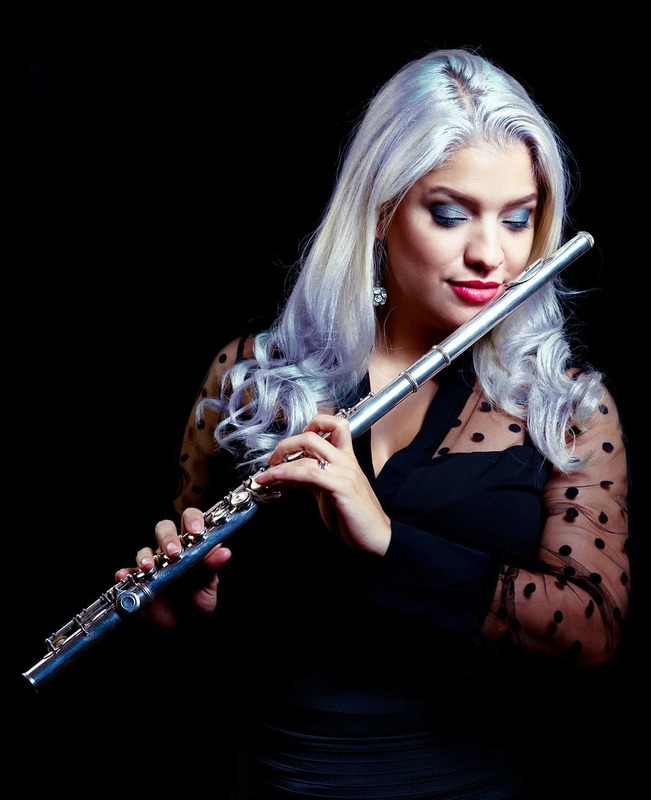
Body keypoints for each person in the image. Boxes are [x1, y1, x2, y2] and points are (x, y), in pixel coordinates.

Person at [116, 48, 631, 799]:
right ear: (382, 210)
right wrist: (181, 618)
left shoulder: (567, 406)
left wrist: (388, 541)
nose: (490, 254)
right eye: (449, 213)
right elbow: (209, 656)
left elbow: (593, 632)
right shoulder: (251, 377)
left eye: (517, 219)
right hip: (270, 782)